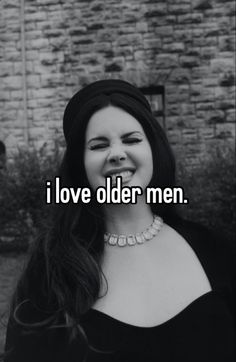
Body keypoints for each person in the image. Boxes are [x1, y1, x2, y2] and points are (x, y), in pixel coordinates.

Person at [3, 79, 235, 362]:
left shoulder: (215, 250)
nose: (116, 153)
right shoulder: (51, 269)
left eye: (132, 139)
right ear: (80, 165)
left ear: (154, 150)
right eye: (99, 145)